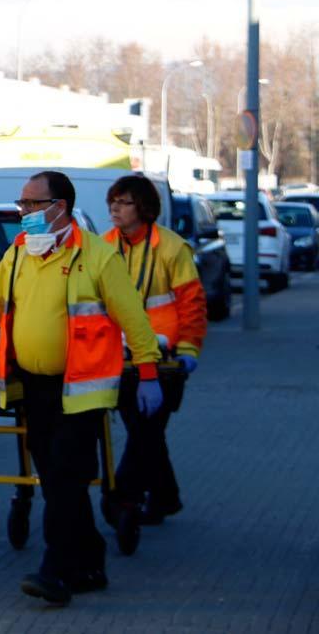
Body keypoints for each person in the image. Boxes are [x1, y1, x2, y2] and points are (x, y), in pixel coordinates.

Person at [0, 170, 163, 606]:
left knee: (65, 479)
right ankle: (91, 564)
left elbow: (134, 320)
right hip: (34, 388)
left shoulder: (98, 257)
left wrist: (148, 372)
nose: (22, 212)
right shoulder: (20, 253)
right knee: (55, 481)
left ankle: (55, 571)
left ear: (58, 207)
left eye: (30, 204)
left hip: (82, 391)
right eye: (22, 204)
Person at [103, 174, 206, 525]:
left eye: (124, 202)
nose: (115, 208)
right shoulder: (104, 246)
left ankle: (122, 496)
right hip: (120, 357)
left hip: (165, 360)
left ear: (144, 208)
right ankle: (165, 497)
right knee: (145, 431)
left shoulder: (172, 248)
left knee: (145, 430)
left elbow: (192, 304)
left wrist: (189, 349)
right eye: (113, 202)